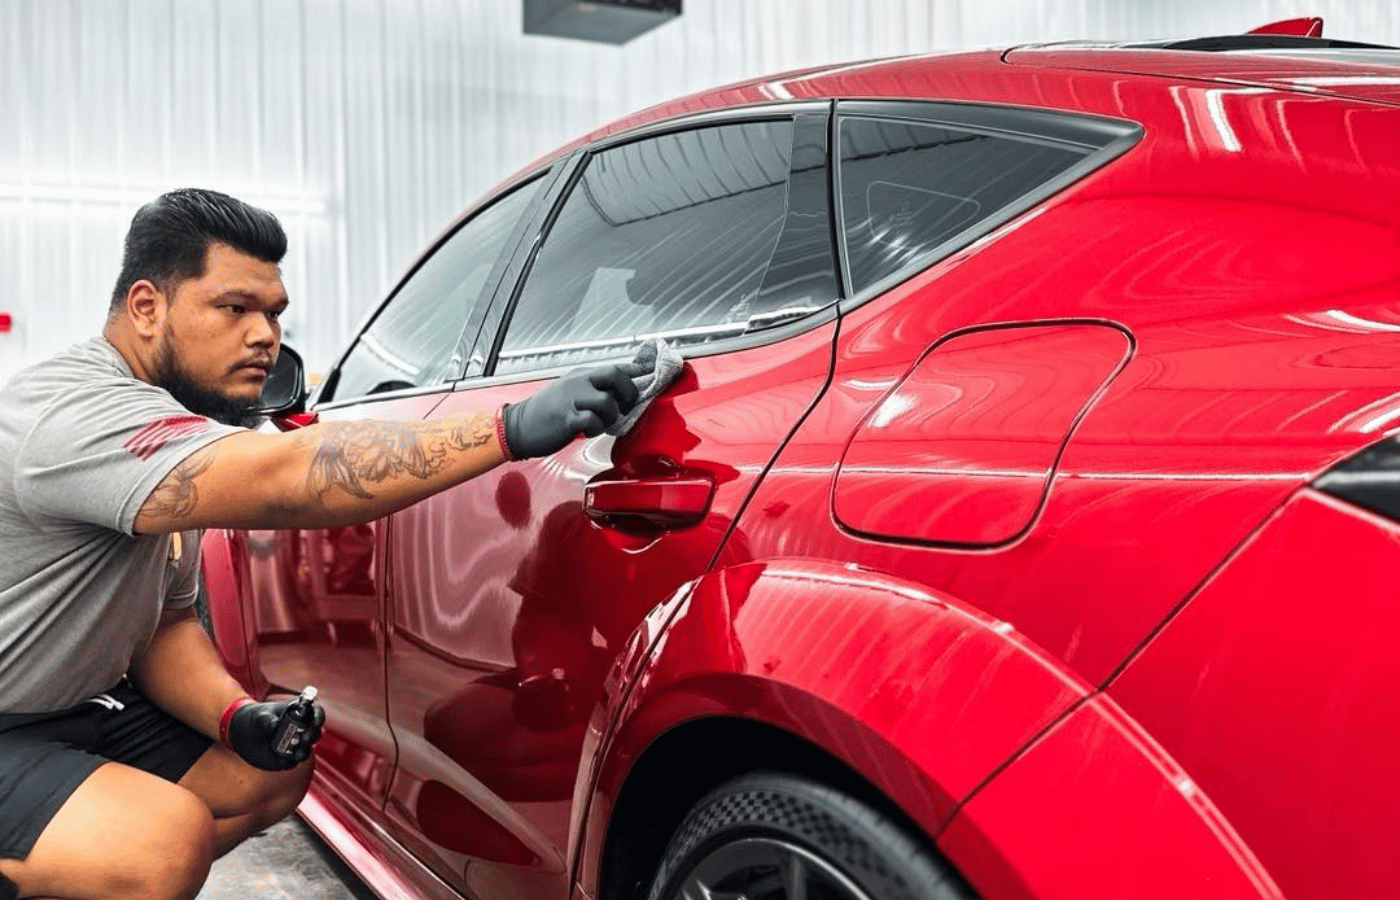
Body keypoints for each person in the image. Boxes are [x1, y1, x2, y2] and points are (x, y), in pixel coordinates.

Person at [0, 188, 642, 900]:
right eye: (234, 307)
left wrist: (234, 716)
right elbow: (291, 474)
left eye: (274, 312)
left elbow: (164, 628)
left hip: (76, 710)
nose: (264, 335)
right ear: (147, 307)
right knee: (160, 842)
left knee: (267, 773)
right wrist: (510, 426)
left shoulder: (179, 435)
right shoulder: (71, 412)